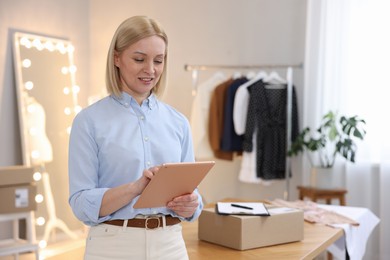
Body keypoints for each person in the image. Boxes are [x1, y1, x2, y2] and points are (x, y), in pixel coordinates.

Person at [68, 16, 202, 260]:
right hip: (112, 246)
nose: (150, 70)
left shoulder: (179, 122)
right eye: (139, 59)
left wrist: (192, 204)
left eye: (158, 61)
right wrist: (135, 189)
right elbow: (80, 202)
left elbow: (192, 194)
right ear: (116, 58)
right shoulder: (89, 121)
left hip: (170, 244)